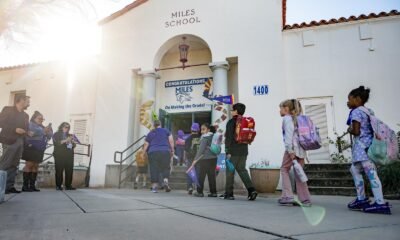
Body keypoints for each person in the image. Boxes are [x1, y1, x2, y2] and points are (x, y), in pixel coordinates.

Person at [346, 86, 391, 214]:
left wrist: (350, 129)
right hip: (368, 146)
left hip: (362, 148)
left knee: (371, 174)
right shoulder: (369, 111)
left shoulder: (356, 112)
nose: (348, 103)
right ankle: (361, 198)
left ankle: (380, 202)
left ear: (358, 99)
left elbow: (356, 131)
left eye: (350, 100)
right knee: (355, 169)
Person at [278, 99, 312, 207]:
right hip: (301, 149)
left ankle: (287, 196)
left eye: (281, 108)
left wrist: (290, 151)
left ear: (286, 109)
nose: (279, 111)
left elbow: (289, 136)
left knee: (284, 169)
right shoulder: (299, 118)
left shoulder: (287, 119)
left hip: (292, 149)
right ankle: (305, 199)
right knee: (299, 173)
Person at [223, 103, 258, 201]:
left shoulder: (231, 122)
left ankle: (229, 193)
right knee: (242, 170)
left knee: (230, 172)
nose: (231, 111)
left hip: (232, 152)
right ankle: (252, 190)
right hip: (243, 151)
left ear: (236, 111)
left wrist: (227, 150)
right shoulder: (245, 121)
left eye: (232, 110)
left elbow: (229, 138)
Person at [0, 95, 30, 194]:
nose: (29, 103)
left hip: (20, 141)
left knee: (14, 165)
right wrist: (14, 129)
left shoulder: (26, 115)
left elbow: (25, 128)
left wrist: (27, 132)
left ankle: (9, 187)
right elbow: (1, 122)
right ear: (20, 100)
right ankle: (1, 187)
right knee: (5, 164)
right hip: (9, 140)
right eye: (27, 101)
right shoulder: (7, 110)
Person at [21, 111, 53, 192]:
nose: (41, 120)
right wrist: (44, 131)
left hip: (39, 148)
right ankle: (25, 186)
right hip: (31, 147)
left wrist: (50, 131)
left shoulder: (42, 126)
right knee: (29, 165)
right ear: (34, 118)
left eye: (43, 119)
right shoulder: (30, 124)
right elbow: (32, 133)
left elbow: (48, 136)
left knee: (35, 166)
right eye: (40, 118)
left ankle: (32, 186)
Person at [142, 120, 174, 193]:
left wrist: (143, 153)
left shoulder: (151, 133)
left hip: (153, 152)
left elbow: (146, 144)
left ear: (154, 125)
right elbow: (171, 140)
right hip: (165, 151)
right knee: (166, 167)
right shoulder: (166, 131)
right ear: (160, 124)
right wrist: (172, 150)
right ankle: (165, 181)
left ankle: (154, 187)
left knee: (154, 168)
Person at [191, 123, 218, 197]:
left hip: (205, 159)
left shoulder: (205, 137)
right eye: (201, 129)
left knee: (201, 176)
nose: (202, 131)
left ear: (208, 130)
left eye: (204, 129)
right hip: (214, 158)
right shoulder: (213, 136)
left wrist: (195, 159)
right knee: (211, 175)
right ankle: (213, 192)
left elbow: (201, 150)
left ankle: (199, 192)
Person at [52, 122, 76, 190]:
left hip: (69, 155)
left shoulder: (70, 135)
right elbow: (56, 143)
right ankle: (58, 185)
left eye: (68, 127)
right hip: (59, 155)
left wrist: (72, 142)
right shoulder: (56, 134)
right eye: (65, 127)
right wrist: (66, 140)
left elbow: (74, 145)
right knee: (59, 170)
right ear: (61, 127)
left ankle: (68, 185)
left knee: (69, 170)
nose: (67, 128)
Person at [184, 123, 201, 194]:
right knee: (198, 172)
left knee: (190, 172)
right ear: (198, 129)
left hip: (190, 158)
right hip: (199, 158)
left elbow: (186, 149)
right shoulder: (201, 137)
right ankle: (198, 187)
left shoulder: (188, 138)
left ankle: (190, 187)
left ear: (191, 129)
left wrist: (185, 158)